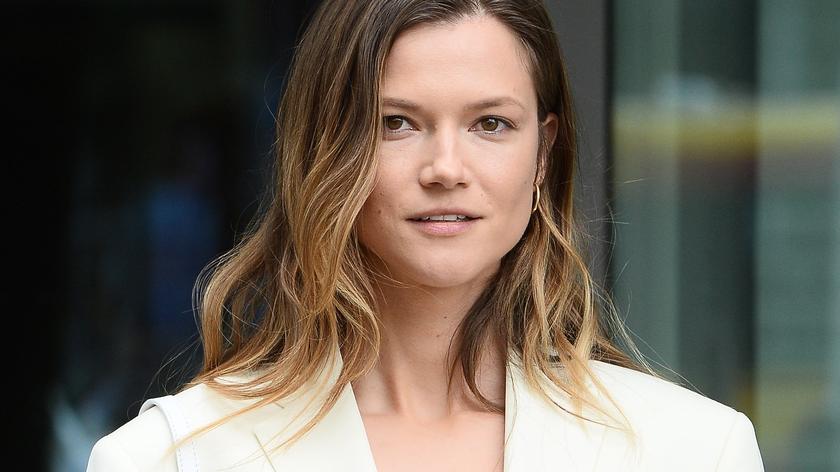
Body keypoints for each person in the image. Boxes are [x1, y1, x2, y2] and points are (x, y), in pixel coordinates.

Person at [86, 0, 765, 470]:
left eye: (490, 124)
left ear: (543, 155)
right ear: (328, 150)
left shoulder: (693, 451)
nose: (446, 168)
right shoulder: (171, 459)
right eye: (397, 123)